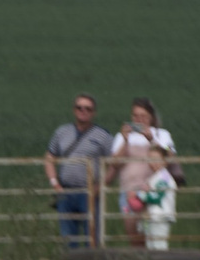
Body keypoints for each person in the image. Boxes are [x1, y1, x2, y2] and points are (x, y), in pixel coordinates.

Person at [44, 95, 115, 247]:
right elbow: (49, 158)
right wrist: (55, 184)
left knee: (93, 239)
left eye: (88, 108)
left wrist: (99, 187)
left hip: (90, 192)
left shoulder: (103, 135)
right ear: (74, 110)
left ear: (94, 112)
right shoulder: (61, 132)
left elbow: (114, 165)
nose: (83, 111)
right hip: (65, 192)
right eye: (79, 107)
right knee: (68, 239)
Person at [109, 98, 177, 249]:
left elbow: (170, 156)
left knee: (154, 238)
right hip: (129, 193)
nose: (139, 120)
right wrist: (125, 141)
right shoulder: (121, 137)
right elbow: (114, 163)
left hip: (153, 192)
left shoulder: (162, 134)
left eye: (143, 116)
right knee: (134, 238)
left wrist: (152, 139)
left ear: (151, 117)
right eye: (135, 116)